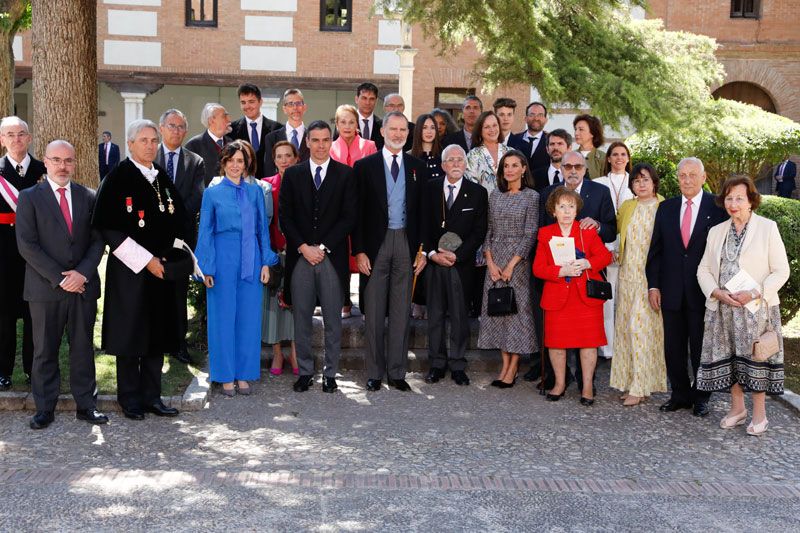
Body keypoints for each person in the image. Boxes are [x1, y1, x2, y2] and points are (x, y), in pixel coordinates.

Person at [92, 119, 192, 420]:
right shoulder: (117, 177)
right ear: (131, 143)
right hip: (131, 272)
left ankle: (153, 397)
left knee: (156, 336)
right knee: (130, 335)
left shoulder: (160, 177)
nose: (150, 145)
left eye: (153, 141)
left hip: (161, 272)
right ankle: (130, 399)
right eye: (144, 140)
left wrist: (173, 260)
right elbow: (109, 228)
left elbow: (180, 222)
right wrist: (146, 261)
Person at [16, 140, 108, 429]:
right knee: (44, 349)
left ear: (75, 162)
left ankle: (86, 405)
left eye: (68, 160)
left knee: (82, 347)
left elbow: (98, 240)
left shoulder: (89, 196)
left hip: (82, 287)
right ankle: (44, 408)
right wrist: (60, 278)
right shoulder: (29, 197)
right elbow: (27, 245)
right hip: (45, 289)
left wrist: (81, 274)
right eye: (56, 160)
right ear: (46, 162)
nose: (62, 166)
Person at [696, 176, 790, 436]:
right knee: (730, 361)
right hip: (724, 309)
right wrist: (715, 291)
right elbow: (703, 269)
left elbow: (781, 271)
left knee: (756, 359)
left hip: (756, 310)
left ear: (751, 201)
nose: (733, 203)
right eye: (728, 198)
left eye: (739, 198)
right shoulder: (717, 231)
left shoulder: (767, 228)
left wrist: (754, 293)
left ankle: (760, 415)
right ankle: (737, 409)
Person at [646, 157, 728, 417]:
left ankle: (702, 397)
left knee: (701, 347)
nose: (688, 180)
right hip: (670, 291)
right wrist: (653, 286)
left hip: (703, 292)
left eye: (693, 174)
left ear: (704, 178)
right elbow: (656, 251)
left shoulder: (717, 207)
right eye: (683, 175)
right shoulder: (666, 208)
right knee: (673, 347)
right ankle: (680, 394)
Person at [279, 121, 357, 393]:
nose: (321, 145)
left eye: (326, 140)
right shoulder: (293, 175)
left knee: (333, 319)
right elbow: (285, 217)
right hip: (301, 257)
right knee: (301, 317)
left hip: (331, 258)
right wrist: (303, 247)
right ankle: (305, 372)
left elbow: (349, 218)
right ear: (308, 142)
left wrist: (322, 248)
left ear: (330, 142)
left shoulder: (345, 174)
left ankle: (331, 374)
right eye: (316, 140)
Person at [196, 142, 278, 396]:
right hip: (222, 257)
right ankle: (224, 375)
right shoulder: (212, 193)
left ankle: (244, 374)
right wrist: (206, 268)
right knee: (222, 317)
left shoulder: (255, 193)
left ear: (246, 165)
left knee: (249, 318)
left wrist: (266, 262)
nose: (235, 165)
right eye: (231, 160)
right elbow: (205, 231)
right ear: (223, 162)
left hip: (251, 259)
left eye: (240, 161)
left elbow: (262, 231)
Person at [353, 112, 427, 392]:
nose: (397, 134)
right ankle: (374, 372)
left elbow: (422, 213)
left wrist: (422, 251)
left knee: (400, 311)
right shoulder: (364, 167)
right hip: (375, 245)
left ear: (408, 135)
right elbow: (356, 213)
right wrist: (359, 250)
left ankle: (397, 372)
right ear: (382, 131)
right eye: (392, 129)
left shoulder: (416, 166)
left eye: (402, 130)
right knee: (372, 311)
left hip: (406, 243)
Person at [538, 151, 616, 390]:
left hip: (585, 297)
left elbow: (605, 254)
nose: (567, 211)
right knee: (557, 344)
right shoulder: (545, 233)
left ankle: (587, 387)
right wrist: (558, 272)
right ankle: (559, 384)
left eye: (570, 207)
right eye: (562, 207)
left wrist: (588, 263)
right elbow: (539, 267)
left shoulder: (587, 230)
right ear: (554, 210)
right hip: (558, 296)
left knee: (588, 343)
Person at [422, 144, 488, 385]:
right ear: (443, 166)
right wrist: (431, 254)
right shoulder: (429, 190)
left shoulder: (478, 193)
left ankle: (458, 365)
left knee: (460, 316)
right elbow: (423, 225)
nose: (456, 163)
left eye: (460, 159)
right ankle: (437, 364)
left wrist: (457, 256)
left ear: (466, 164)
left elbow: (479, 231)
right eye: (451, 160)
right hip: (435, 263)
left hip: (461, 265)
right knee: (435, 315)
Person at [477, 150, 539, 388]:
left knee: (516, 316)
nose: (510, 170)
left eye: (515, 165)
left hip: (518, 263)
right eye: (506, 166)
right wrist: (491, 263)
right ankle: (504, 366)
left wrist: (512, 265)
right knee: (499, 313)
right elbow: (489, 231)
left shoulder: (531, 197)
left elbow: (530, 233)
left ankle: (513, 368)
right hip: (494, 262)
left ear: (524, 169)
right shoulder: (495, 195)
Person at [609, 164, 667, 406]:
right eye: (636, 180)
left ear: (654, 183)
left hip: (649, 279)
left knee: (641, 331)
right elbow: (619, 235)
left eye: (645, 179)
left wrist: (659, 282)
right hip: (626, 277)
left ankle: (641, 385)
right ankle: (632, 381)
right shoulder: (627, 207)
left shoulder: (664, 207)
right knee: (625, 331)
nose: (641, 184)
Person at [156, 108, 206, 365]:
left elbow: (196, 198)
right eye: (171, 125)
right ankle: (154, 341)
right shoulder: (149, 156)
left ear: (185, 132)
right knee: (151, 291)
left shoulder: (195, 161)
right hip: (150, 239)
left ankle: (178, 343)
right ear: (161, 128)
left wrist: (170, 218)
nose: (176, 131)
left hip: (180, 240)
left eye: (180, 127)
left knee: (177, 293)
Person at [0, 116, 45, 390]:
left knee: (34, 314)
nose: (16, 139)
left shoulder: (44, 169)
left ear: (29, 138)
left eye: (21, 134)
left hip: (36, 254)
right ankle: (2, 371)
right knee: (3, 315)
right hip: (3, 254)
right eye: (10, 135)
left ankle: (33, 370)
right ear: (2, 140)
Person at [330, 103, 378, 318]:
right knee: (340, 255)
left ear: (357, 124)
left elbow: (375, 179)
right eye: (343, 122)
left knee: (365, 253)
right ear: (337, 124)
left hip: (365, 208)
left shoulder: (369, 145)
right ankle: (344, 301)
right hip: (338, 209)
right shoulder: (330, 148)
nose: (347, 126)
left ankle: (369, 302)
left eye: (351, 121)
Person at [593, 141, 634, 360]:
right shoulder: (598, 183)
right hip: (604, 246)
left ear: (628, 158)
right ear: (608, 158)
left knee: (627, 298)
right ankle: (606, 348)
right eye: (614, 154)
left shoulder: (636, 183)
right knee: (606, 298)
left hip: (629, 248)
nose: (619, 158)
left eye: (623, 154)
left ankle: (626, 346)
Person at [465, 111, 509, 317]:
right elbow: (470, 187)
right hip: (482, 215)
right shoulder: (473, 155)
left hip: (508, 217)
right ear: (480, 131)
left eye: (495, 125)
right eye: (487, 126)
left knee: (504, 261)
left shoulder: (511, 152)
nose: (492, 129)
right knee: (481, 261)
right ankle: (479, 307)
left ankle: (502, 306)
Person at [263, 141, 299, 376]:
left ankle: (295, 353)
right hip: (273, 253)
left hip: (299, 252)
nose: (284, 160)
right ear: (274, 160)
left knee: (297, 303)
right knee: (274, 305)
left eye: (288, 155)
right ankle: (277, 353)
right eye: (279, 156)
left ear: (296, 158)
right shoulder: (265, 186)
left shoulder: (305, 181)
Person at [229, 83, 282, 179]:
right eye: (243, 102)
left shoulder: (277, 129)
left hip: (269, 185)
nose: (247, 106)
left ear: (260, 102)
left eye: (251, 101)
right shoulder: (231, 130)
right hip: (241, 184)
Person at [263, 88, 310, 177]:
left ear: (304, 107)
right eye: (290, 104)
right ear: (284, 109)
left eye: (298, 103)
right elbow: (269, 170)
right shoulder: (271, 138)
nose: (295, 108)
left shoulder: (312, 138)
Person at [185, 103, 233, 186]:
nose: (229, 119)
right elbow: (188, 179)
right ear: (211, 120)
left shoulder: (232, 144)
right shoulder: (193, 145)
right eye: (224, 116)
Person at [508, 102, 550, 173]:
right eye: (532, 115)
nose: (536, 118)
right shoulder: (513, 140)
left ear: (545, 120)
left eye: (540, 115)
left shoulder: (551, 142)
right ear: (525, 118)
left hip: (544, 184)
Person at [409, 113, 444, 181]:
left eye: (432, 127)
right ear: (418, 130)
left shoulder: (444, 155)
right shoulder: (409, 156)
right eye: (424, 127)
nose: (429, 131)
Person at [573, 114, 606, 180]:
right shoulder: (571, 156)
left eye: (581, 129)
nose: (576, 133)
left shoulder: (603, 157)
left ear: (592, 133)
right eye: (575, 129)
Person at [355, 82, 383, 150]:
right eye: (364, 98)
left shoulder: (382, 125)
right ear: (356, 99)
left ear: (376, 101)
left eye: (372, 99)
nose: (367, 103)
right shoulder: (345, 123)